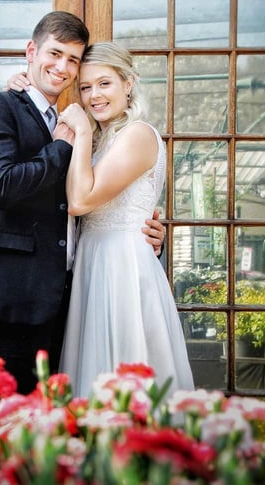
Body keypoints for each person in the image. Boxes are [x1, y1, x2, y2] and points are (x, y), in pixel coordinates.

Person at [0, 12, 165, 394]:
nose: (62, 67)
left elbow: (101, 200)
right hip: (16, 301)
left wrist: (148, 238)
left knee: (62, 419)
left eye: (73, 60)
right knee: (15, 425)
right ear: (31, 51)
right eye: (54, 54)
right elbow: (1, 185)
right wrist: (61, 147)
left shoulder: (84, 128)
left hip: (74, 298)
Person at [56, 41, 194, 399]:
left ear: (128, 83)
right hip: (93, 261)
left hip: (122, 268)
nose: (93, 96)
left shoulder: (138, 135)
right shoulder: (105, 139)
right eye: (85, 87)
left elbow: (80, 200)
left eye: (104, 83)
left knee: (129, 376)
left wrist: (82, 131)